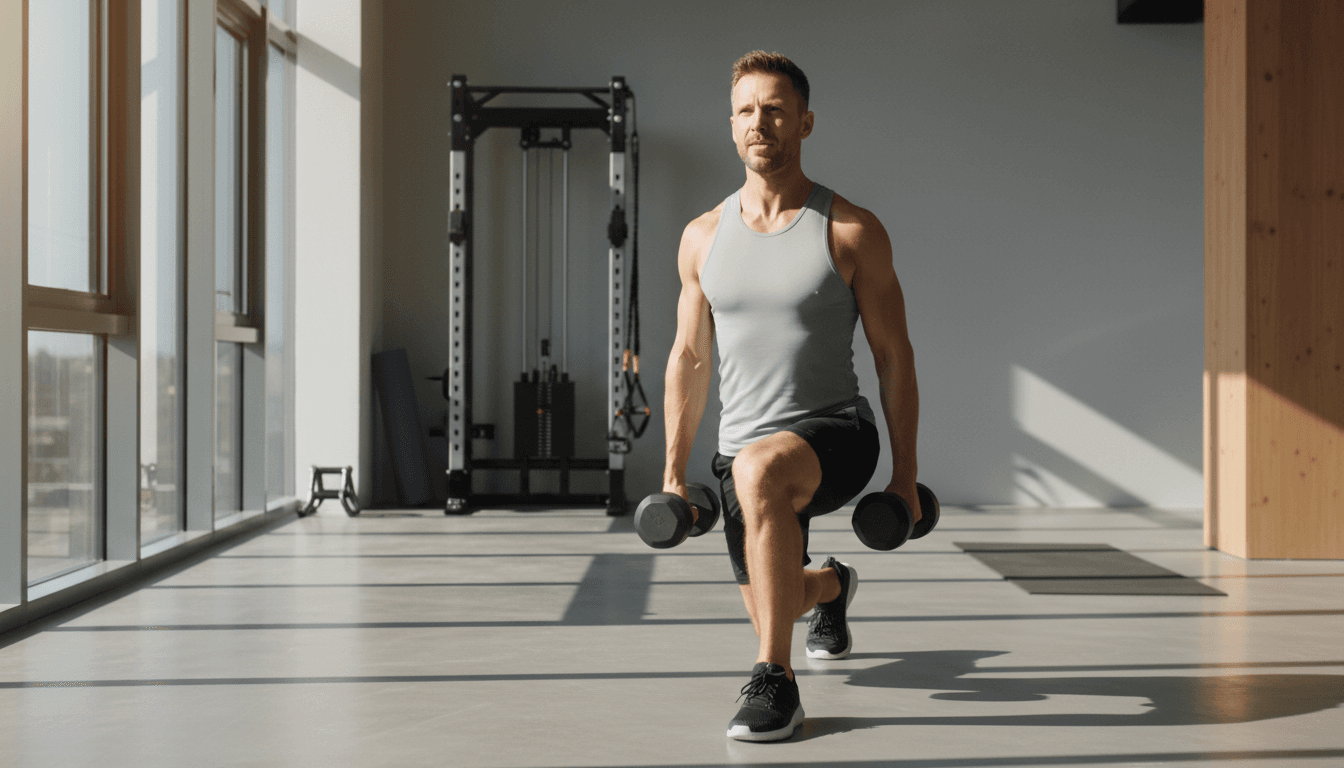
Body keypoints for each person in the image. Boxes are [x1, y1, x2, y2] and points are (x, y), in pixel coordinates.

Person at [661, 50, 921, 742]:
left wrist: (905, 475)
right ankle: (831, 585)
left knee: (761, 471)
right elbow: (689, 357)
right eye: (746, 109)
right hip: (737, 456)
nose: (760, 121)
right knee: (773, 595)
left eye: (775, 108)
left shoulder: (850, 230)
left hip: (835, 433)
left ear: (805, 122)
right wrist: (671, 474)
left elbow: (893, 357)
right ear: (731, 125)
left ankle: (775, 682)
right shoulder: (703, 238)